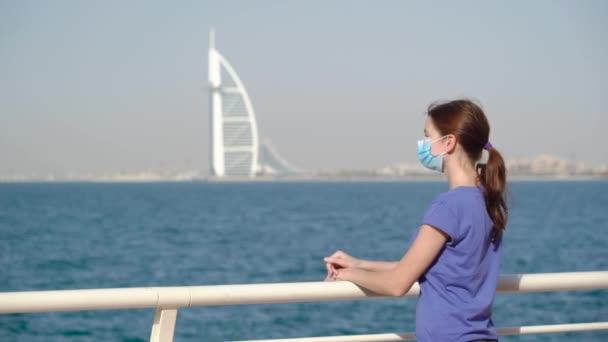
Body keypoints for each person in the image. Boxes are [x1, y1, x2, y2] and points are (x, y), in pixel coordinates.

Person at [324, 99, 508, 342]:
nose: (423, 145)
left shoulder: (449, 206)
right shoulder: (486, 201)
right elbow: (432, 268)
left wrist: (347, 276)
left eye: (427, 136)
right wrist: (358, 264)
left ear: (448, 142)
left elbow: (397, 283)